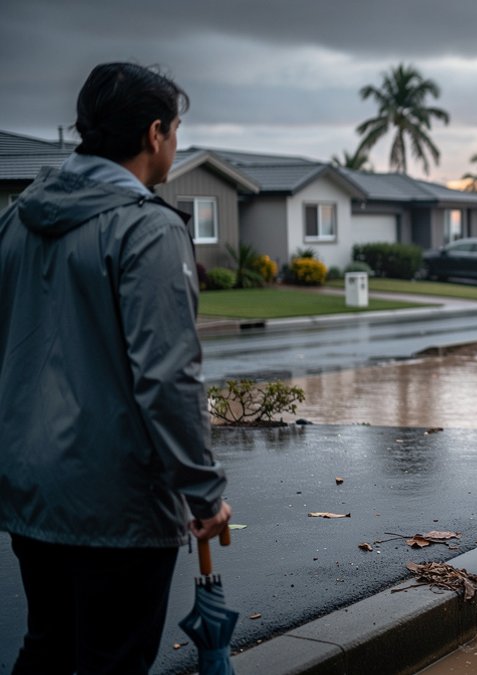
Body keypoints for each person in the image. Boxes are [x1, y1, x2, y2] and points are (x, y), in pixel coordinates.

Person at [0, 62, 231, 675]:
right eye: (176, 130)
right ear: (156, 134)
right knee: (111, 662)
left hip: (31, 493)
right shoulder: (146, 228)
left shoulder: (17, 221)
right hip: (116, 505)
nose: (175, 143)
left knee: (47, 649)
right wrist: (204, 494)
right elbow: (168, 378)